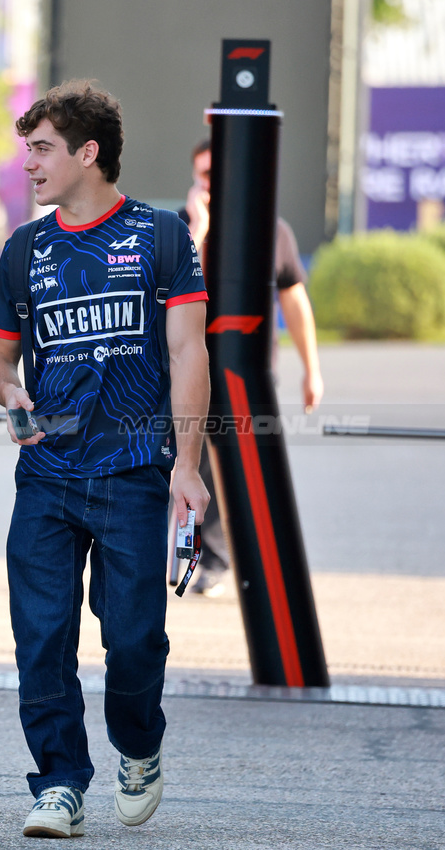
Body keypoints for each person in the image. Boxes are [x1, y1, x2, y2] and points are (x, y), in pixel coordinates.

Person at [0, 80, 210, 838]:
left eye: (42, 150)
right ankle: (57, 782)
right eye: (27, 151)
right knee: (41, 638)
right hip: (46, 475)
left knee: (134, 638)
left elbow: (186, 353)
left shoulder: (162, 235)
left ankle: (138, 747)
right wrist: (9, 394)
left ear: (87, 152)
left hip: (135, 469)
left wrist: (186, 465)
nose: (30, 166)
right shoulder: (23, 250)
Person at [181, 137, 325, 595]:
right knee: (190, 465)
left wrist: (312, 368)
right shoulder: (178, 230)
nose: (208, 183)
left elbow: (294, 301)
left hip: (248, 374)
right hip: (188, 372)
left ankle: (245, 563)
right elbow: (173, 287)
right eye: (201, 174)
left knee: (248, 469)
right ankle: (197, 557)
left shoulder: (270, 230)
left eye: (215, 174)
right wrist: (200, 229)